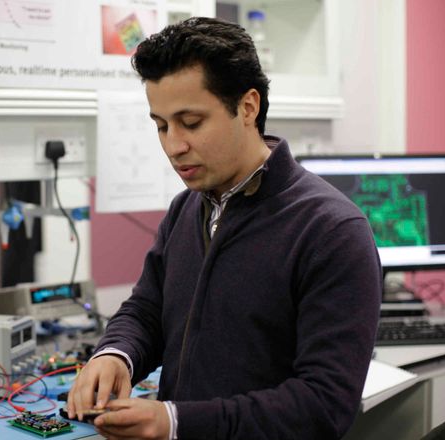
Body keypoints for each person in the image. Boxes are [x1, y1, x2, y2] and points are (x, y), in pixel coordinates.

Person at [67, 16, 382, 439]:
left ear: (248, 107)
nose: (174, 145)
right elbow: (147, 312)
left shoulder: (332, 231)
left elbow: (323, 406)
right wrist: (115, 355)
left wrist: (176, 422)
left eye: (191, 122)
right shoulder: (186, 209)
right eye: (161, 125)